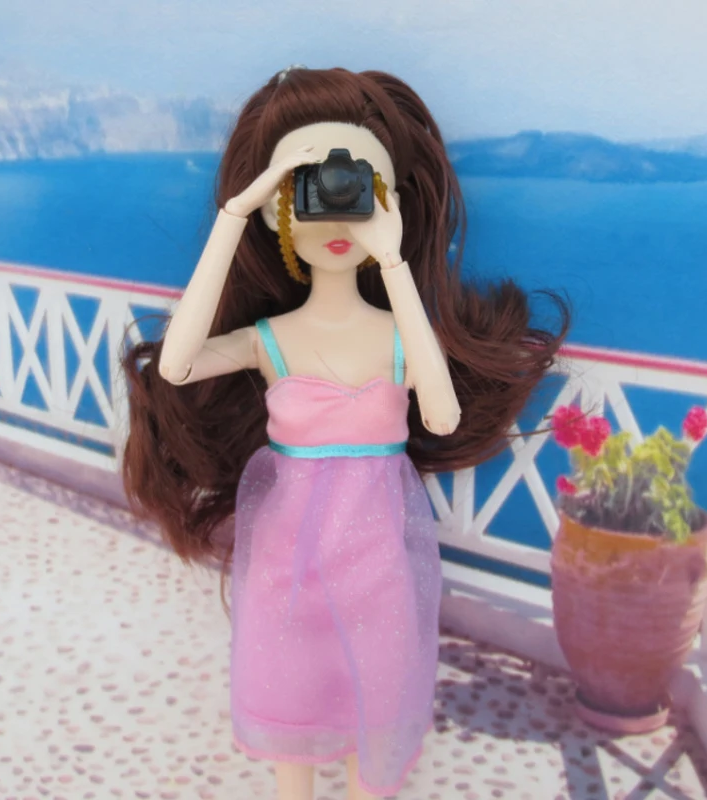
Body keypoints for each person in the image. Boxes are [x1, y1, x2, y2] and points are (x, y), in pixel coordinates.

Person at [122, 66, 569, 800]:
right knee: (288, 685)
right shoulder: (271, 338)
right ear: (279, 207)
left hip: (376, 550)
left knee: (380, 692)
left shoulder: (397, 336)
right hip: (287, 551)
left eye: (361, 187)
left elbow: (442, 416)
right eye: (310, 187)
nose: (337, 213)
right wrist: (236, 214)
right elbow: (177, 364)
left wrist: (392, 259)